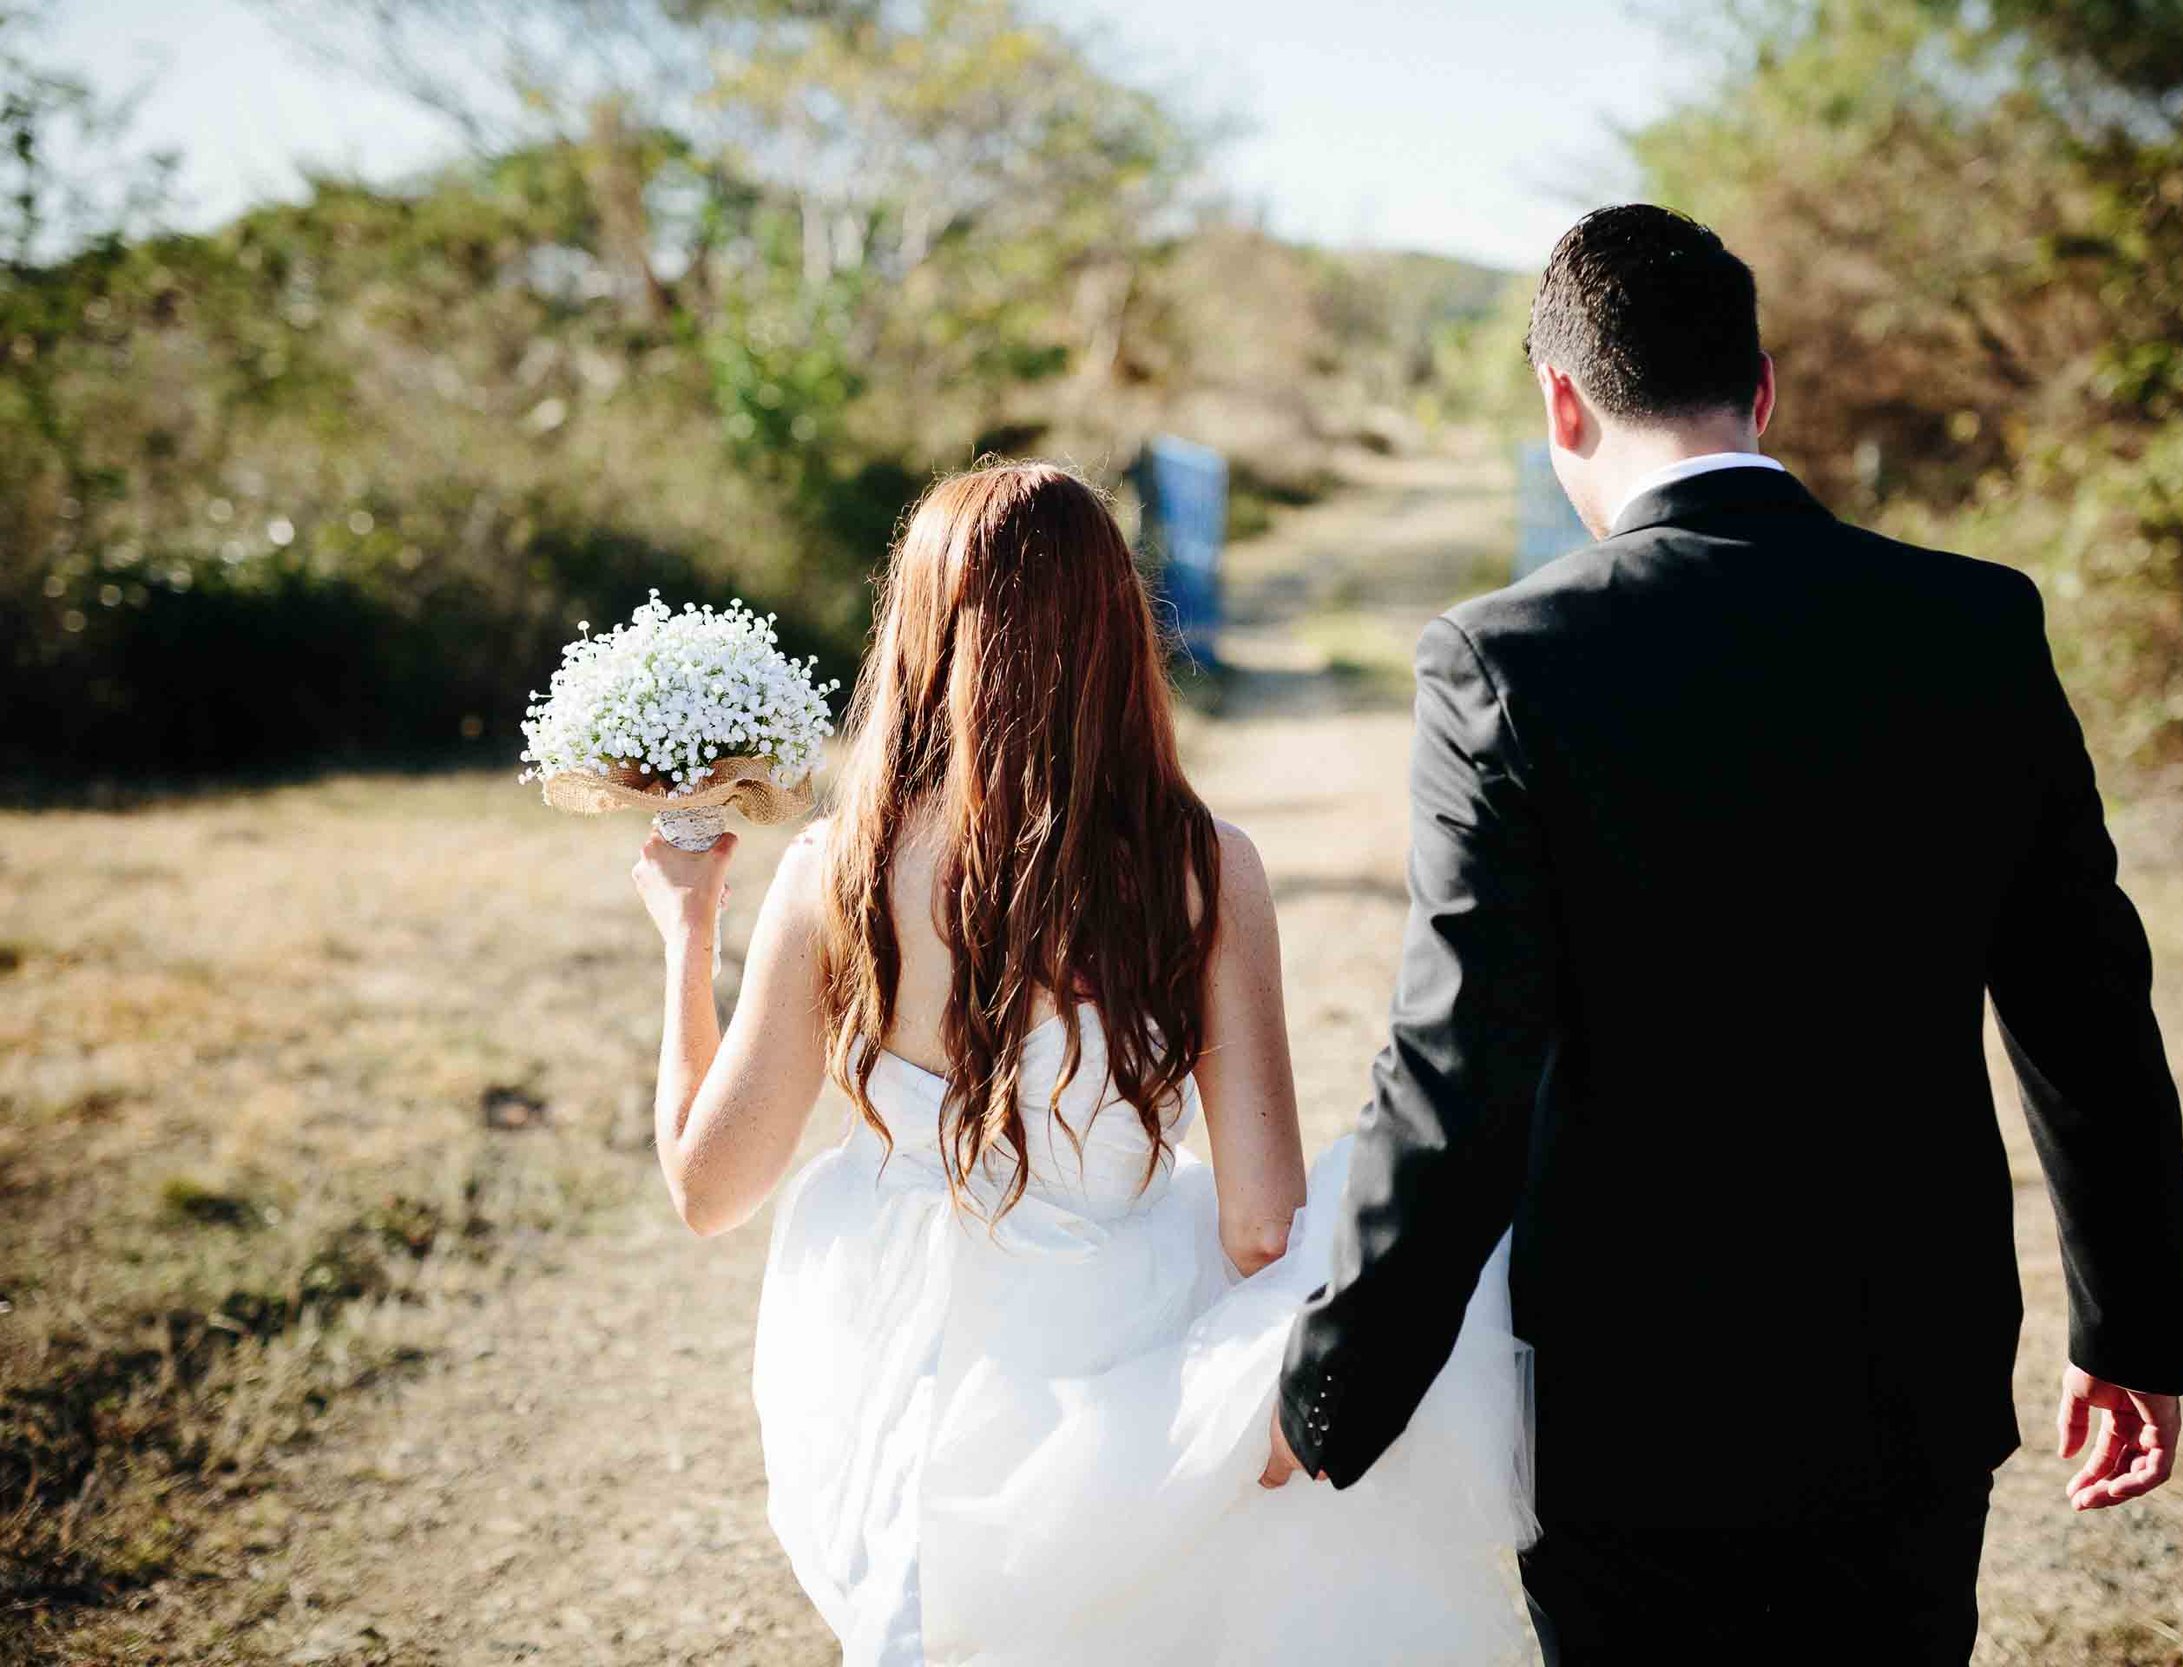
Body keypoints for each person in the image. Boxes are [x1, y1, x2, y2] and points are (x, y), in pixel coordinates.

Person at [1262, 204, 2183, 1664]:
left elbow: (1460, 1071)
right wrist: (2130, 1326)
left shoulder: (1505, 662)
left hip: (1634, 1402)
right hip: (1914, 1375)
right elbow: (2087, 1007)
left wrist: (1338, 1380)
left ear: (1561, 403)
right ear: (1762, 388)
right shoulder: (1974, 624)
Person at [629, 462, 1536, 1666]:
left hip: (895, 1350)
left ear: (920, 629)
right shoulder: (1204, 865)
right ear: (1117, 628)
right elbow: (1267, 1220)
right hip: (1116, 1342)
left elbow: (709, 1187)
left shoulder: (834, 868)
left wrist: (687, 929)